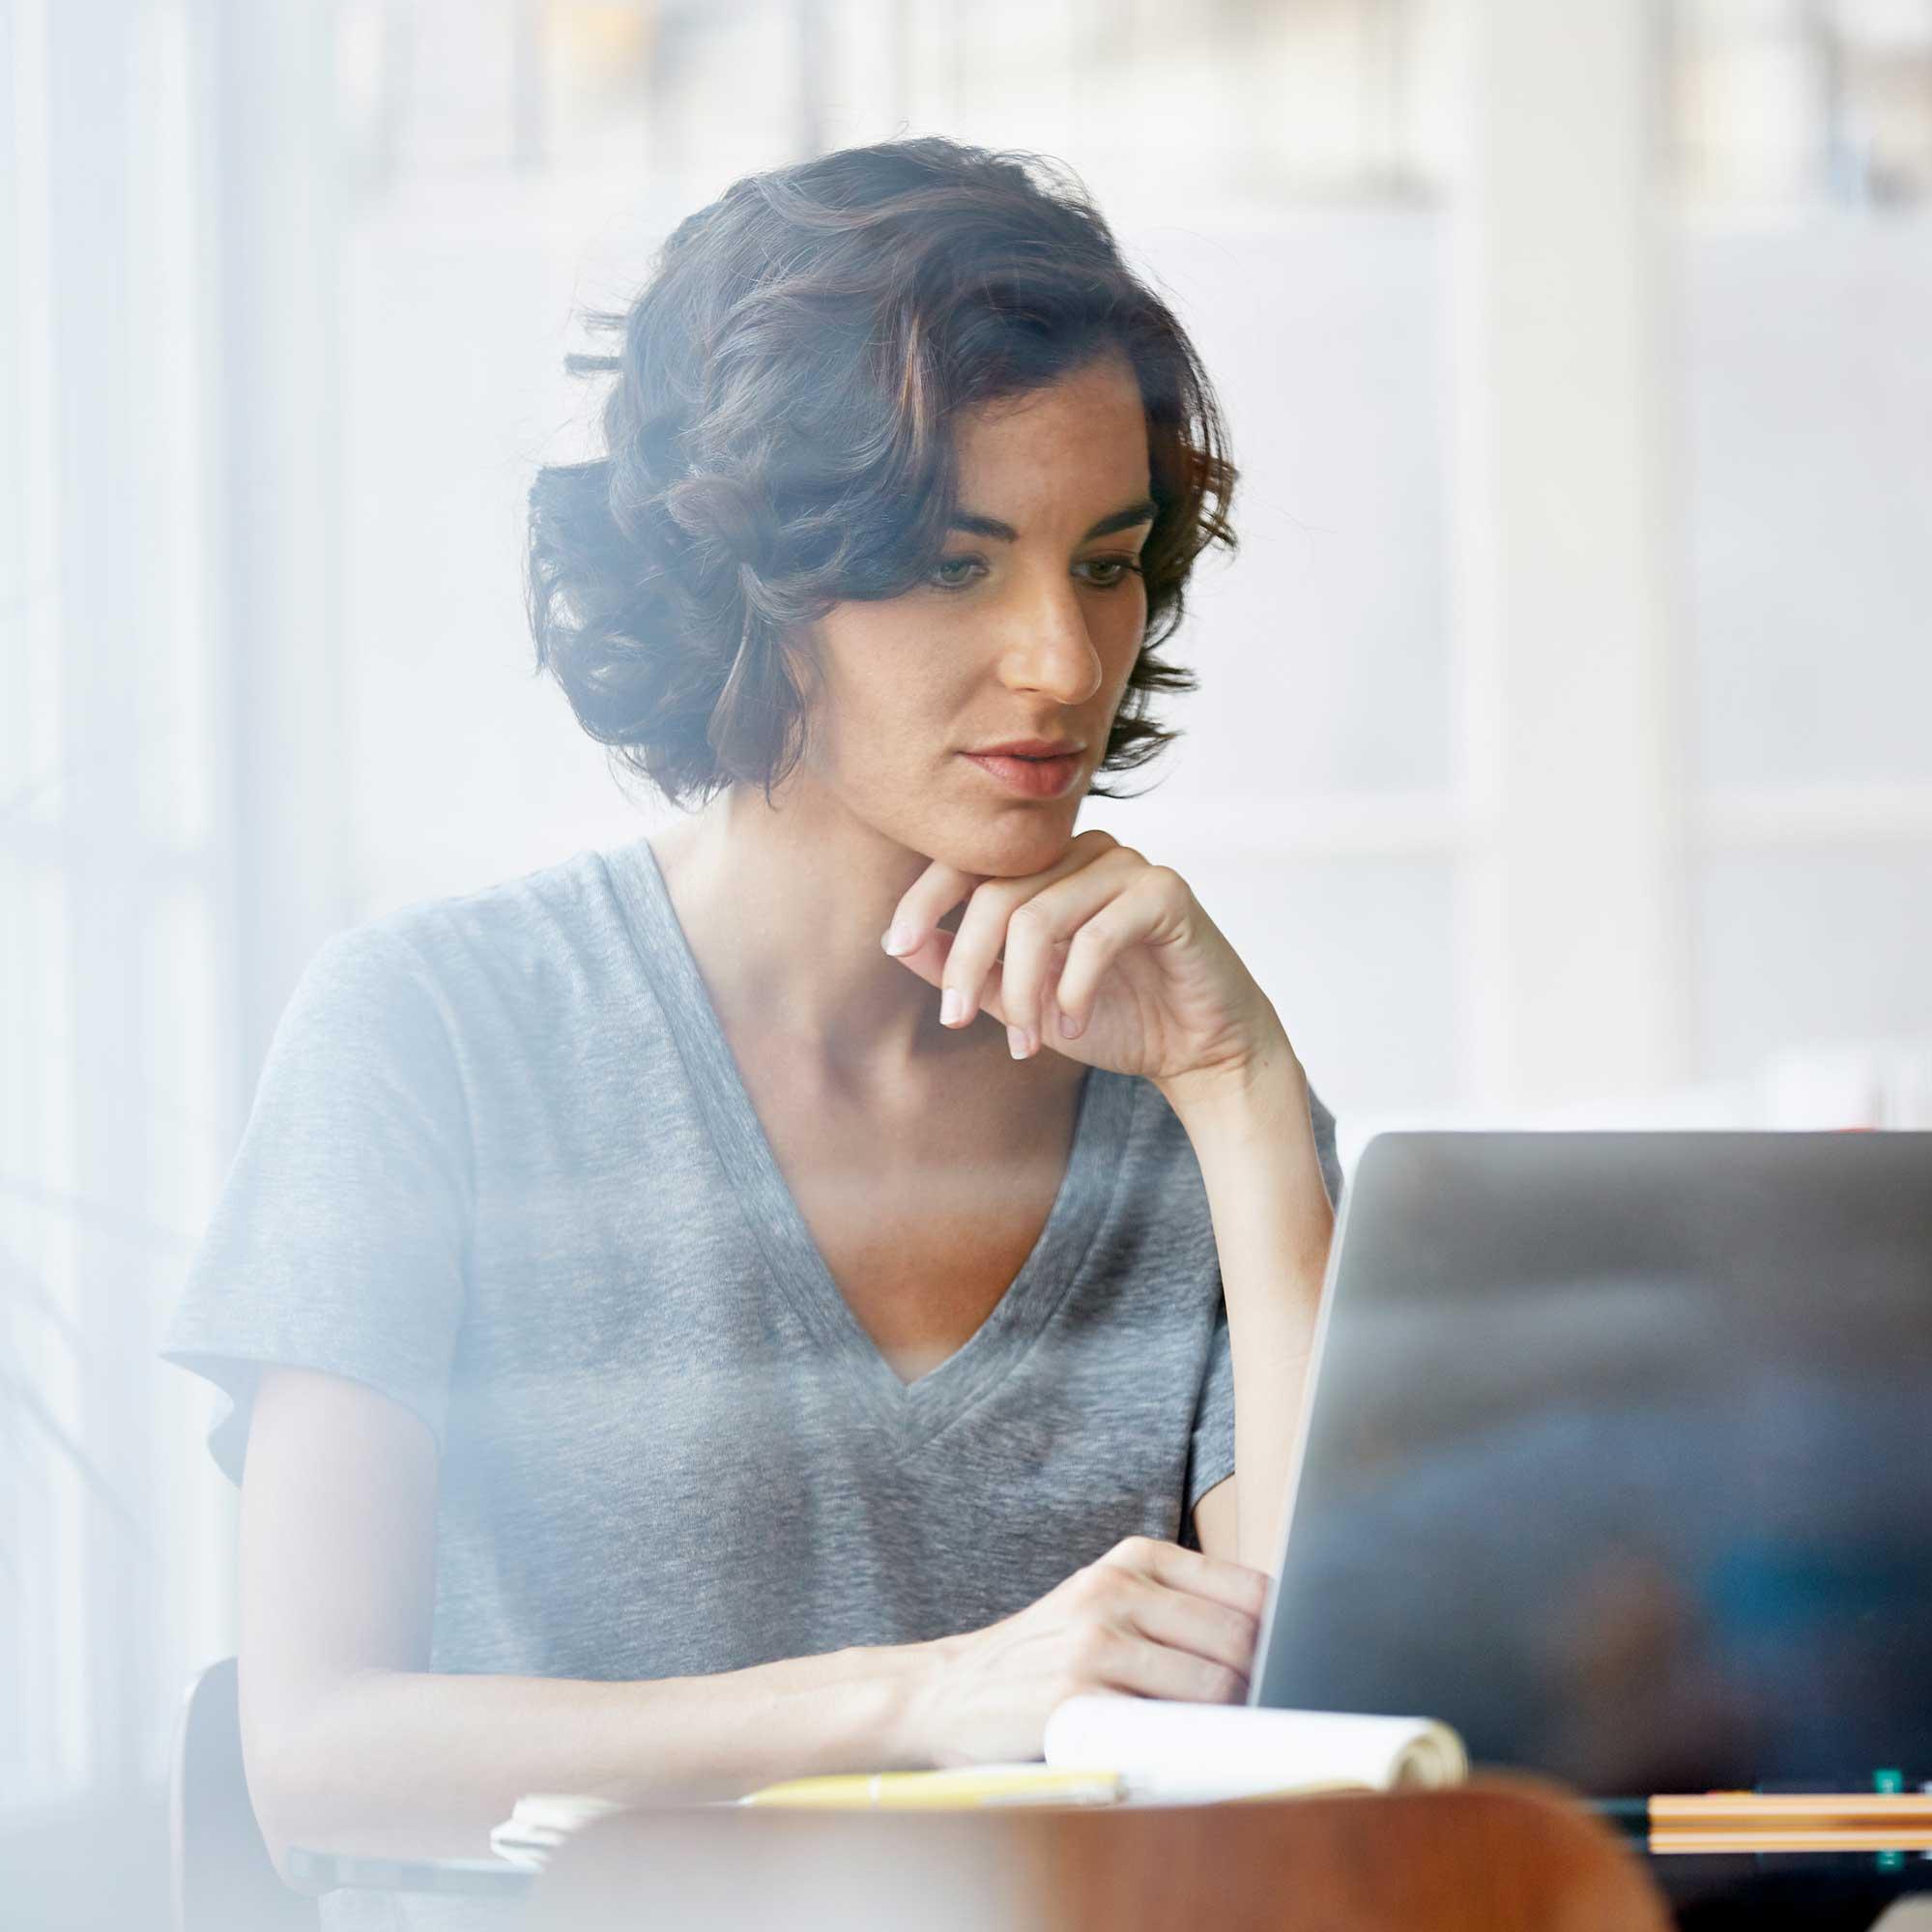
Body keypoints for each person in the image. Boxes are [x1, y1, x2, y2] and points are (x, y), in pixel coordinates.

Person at [162, 136, 1342, 1912]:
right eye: (958, 566)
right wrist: (929, 1701)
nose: (1061, 661)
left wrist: (1246, 1101)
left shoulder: (1186, 1080)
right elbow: (319, 1756)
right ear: (753, 583)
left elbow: (1338, 1738)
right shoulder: (434, 1036)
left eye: (1107, 564)